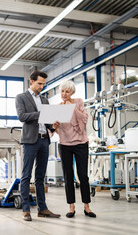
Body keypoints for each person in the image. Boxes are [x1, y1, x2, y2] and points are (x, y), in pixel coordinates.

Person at [15, 70, 61, 221]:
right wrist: (39, 114)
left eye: (43, 84)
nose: (42, 86)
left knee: (40, 176)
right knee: (26, 176)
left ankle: (43, 209)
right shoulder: (21, 97)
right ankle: (26, 210)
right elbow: (22, 117)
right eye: (39, 83)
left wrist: (53, 125)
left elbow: (47, 122)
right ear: (31, 81)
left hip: (44, 140)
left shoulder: (44, 100)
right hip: (30, 140)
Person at [52, 80, 96, 218]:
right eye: (62, 91)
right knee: (68, 176)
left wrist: (73, 108)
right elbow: (53, 129)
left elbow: (84, 119)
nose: (64, 94)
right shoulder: (58, 107)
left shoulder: (78, 102)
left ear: (72, 93)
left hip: (81, 143)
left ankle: (87, 206)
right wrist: (54, 125)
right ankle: (71, 207)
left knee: (83, 175)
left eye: (67, 91)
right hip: (64, 145)